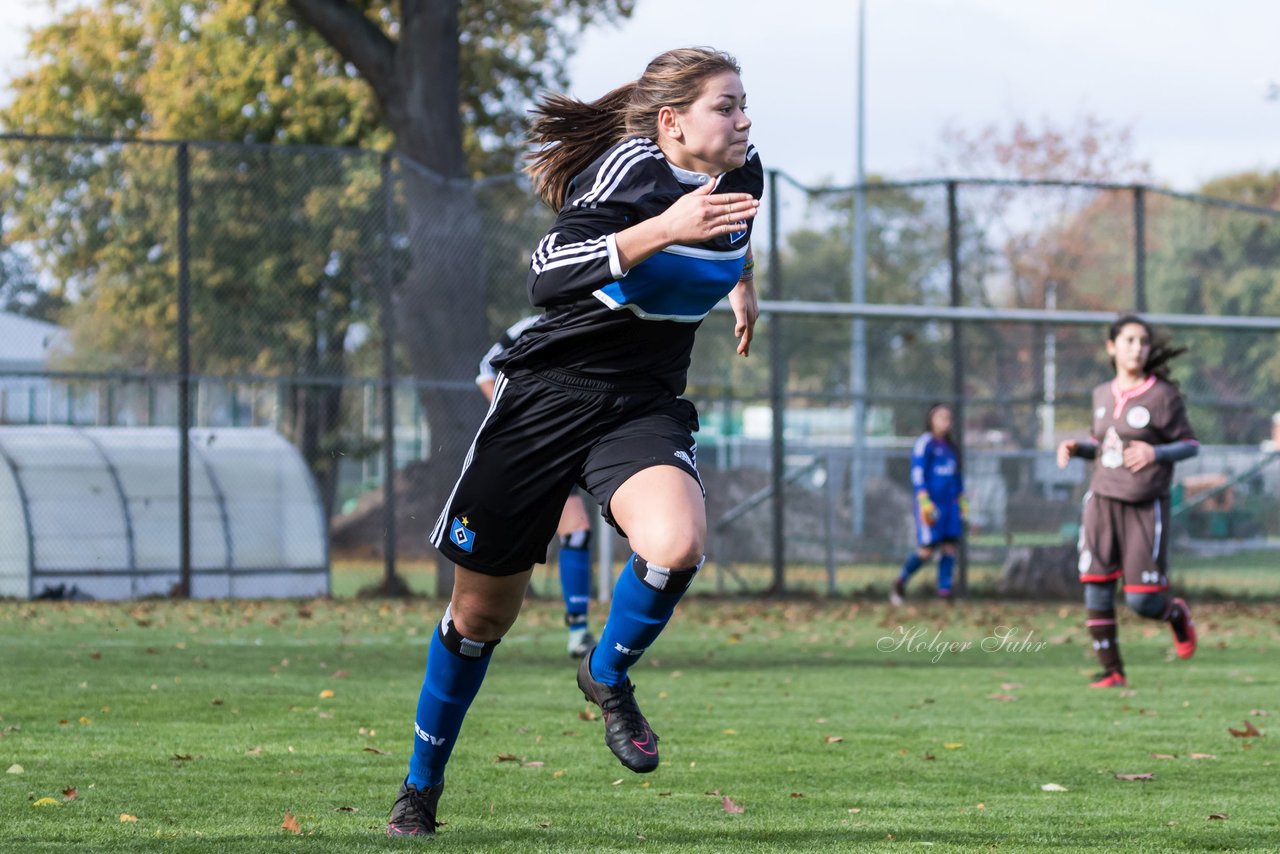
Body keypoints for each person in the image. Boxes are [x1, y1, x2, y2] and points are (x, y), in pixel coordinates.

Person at [387, 47, 762, 836]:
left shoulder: (747, 171)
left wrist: (742, 289)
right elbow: (547, 274)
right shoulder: (626, 171)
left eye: (742, 104)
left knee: (679, 542)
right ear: (672, 123)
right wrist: (664, 230)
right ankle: (419, 790)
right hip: (544, 404)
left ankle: (604, 675)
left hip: (641, 406)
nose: (743, 120)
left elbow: (730, 233)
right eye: (725, 106)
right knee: (481, 618)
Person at [1057, 314, 1200, 689]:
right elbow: (1105, 447)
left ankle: (1175, 615)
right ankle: (1113, 671)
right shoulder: (1101, 394)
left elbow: (1190, 445)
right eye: (1129, 340)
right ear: (1111, 347)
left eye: (1143, 342)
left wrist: (1157, 454)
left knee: (1142, 602)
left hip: (1143, 505)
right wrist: (1077, 448)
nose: (1137, 348)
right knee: (1096, 585)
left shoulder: (1162, 395)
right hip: (1102, 500)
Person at [476, 315, 597, 659]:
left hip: (567, 445)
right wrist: (518, 415)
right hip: (528, 447)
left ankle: (578, 631)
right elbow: (485, 370)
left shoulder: (602, 320)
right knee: (502, 539)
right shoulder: (532, 325)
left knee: (576, 532)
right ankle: (472, 623)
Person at [890, 403, 968, 605]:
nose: (946, 422)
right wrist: (924, 499)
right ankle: (900, 582)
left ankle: (944, 592)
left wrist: (962, 503)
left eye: (948, 418)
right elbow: (917, 473)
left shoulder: (952, 448)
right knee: (926, 550)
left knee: (949, 547)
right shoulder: (925, 443)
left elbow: (957, 479)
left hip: (950, 505)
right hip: (932, 505)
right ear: (931, 419)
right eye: (941, 417)